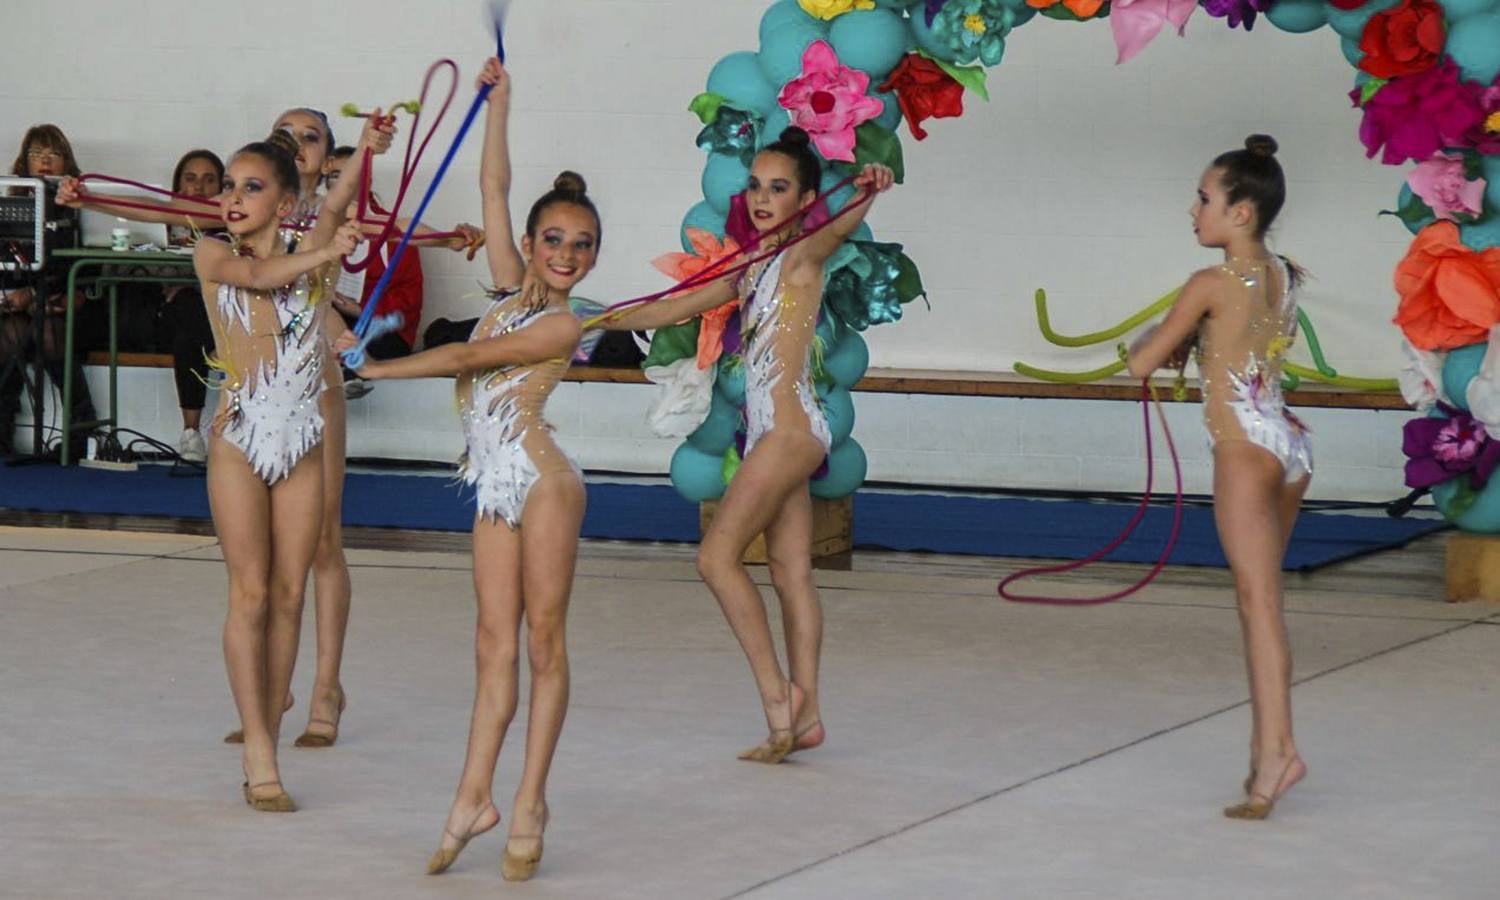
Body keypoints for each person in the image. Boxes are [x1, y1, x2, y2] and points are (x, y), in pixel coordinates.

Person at [338, 58, 588, 881]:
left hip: (545, 486)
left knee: (543, 644)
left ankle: (531, 802)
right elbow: (493, 184)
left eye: (582, 245)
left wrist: (374, 366)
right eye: (552, 238)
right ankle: (472, 795)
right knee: (491, 645)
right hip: (493, 488)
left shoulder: (558, 324)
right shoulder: (513, 287)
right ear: (528, 243)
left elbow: (471, 356)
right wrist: (500, 103)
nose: (566, 253)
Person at [600, 128, 895, 763]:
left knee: (716, 559)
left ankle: (776, 698)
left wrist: (866, 193)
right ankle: (807, 713)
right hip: (781, 432)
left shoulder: (800, 259)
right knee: (791, 573)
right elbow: (668, 307)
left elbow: (832, 233)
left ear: (806, 198)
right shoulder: (751, 266)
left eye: (779, 188)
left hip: (790, 431)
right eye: (756, 186)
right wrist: (593, 318)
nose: (762, 197)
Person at [193, 117, 377, 811]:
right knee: (252, 593)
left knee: (292, 593)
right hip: (239, 438)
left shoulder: (314, 242)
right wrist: (325, 254)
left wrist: (367, 159)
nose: (231, 199)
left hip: (301, 441)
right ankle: (261, 754)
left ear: (284, 202)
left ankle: (272, 714)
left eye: (251, 187)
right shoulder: (212, 255)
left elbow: (329, 212)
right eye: (228, 188)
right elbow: (260, 274)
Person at [1127, 134, 1310, 821]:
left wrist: (1145, 344)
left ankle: (1278, 753)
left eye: (1205, 199)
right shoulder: (1285, 272)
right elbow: (1247, 343)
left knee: (1256, 606)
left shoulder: (1210, 281)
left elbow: (1144, 363)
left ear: (1241, 211)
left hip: (1244, 446)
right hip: (1289, 444)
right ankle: (1270, 749)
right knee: (1264, 604)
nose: (1193, 211)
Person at [1, 124, 95, 460]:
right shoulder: (8, 203)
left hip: (64, 304)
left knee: (50, 333)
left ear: (66, 163)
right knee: (8, 337)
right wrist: (13, 299)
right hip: (16, 304)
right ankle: (3, 432)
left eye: (53, 154)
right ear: (23, 162)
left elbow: (84, 265)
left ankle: (80, 429)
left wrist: (42, 297)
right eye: (36, 154)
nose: (44, 160)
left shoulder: (78, 204)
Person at [322, 144, 423, 398]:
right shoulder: (315, 226)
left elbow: (410, 299)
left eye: (352, 176)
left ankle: (348, 372)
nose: (343, 184)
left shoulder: (391, 229)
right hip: (329, 321)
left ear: (368, 180)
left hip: (381, 329)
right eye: (335, 176)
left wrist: (361, 308)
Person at [161, 148, 224, 461]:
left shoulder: (233, 225)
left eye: (209, 179)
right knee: (187, 306)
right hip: (161, 313)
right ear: (178, 185)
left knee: (192, 315)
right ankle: (192, 433)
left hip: (213, 313)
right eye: (191, 179)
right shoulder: (162, 219)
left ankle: (191, 433)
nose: (199, 187)